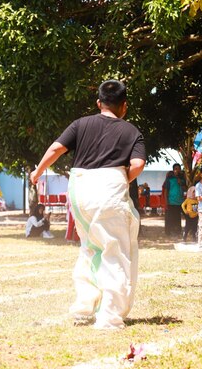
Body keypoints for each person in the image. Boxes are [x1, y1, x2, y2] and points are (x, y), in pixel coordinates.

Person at [29, 79, 146, 329]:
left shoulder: (80, 124)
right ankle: (109, 316)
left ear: (99, 102)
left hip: (79, 188)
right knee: (116, 249)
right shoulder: (131, 131)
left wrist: (38, 172)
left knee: (90, 245)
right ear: (124, 106)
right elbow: (137, 165)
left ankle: (84, 306)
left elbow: (57, 148)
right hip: (110, 185)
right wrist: (120, 177)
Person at [163, 163, 186, 236]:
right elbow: (166, 190)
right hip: (171, 201)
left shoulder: (182, 179)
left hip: (180, 201)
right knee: (171, 217)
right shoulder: (169, 179)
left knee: (178, 217)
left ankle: (178, 231)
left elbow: (185, 189)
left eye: (179, 169)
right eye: (176, 169)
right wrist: (166, 201)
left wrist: (181, 183)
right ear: (173, 170)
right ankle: (170, 232)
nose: (177, 170)